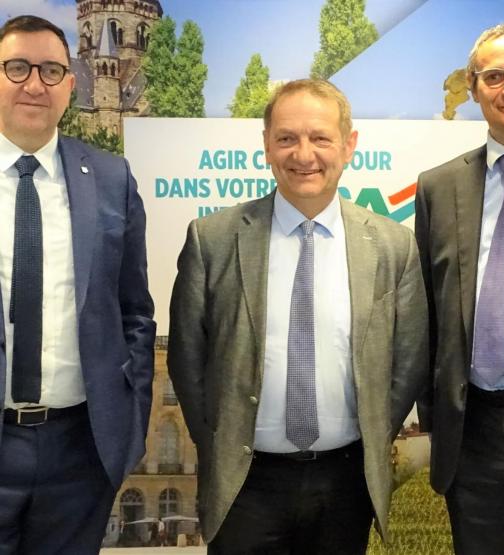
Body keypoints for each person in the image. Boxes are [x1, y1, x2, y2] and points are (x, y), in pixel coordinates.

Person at [168, 78, 428, 554]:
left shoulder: (394, 245)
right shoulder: (214, 239)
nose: (303, 154)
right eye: (286, 138)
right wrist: (219, 440)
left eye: (320, 138)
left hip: (346, 483)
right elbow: (187, 359)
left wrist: (370, 433)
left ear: (348, 146)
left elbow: (408, 364)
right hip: (245, 485)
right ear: (266, 145)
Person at [0, 15, 155, 554]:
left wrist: (127, 428)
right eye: (17, 67)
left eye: (51, 70)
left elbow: (135, 310)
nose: (34, 83)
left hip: (78, 453)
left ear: (75, 83)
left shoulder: (112, 178)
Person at [416, 22, 504, 555]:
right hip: (472, 434)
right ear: (473, 89)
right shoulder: (438, 186)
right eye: (493, 77)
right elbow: (429, 311)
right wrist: (437, 417)